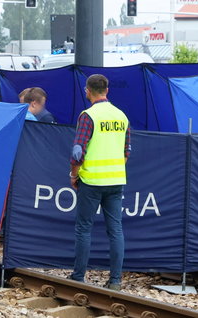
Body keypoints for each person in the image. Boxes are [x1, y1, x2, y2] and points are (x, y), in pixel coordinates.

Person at [69, 74, 130, 291]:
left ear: (88, 90)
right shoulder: (121, 116)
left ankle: (78, 277)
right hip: (116, 181)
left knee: (84, 228)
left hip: (92, 180)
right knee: (116, 230)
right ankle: (115, 281)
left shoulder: (88, 116)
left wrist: (74, 174)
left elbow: (78, 152)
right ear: (107, 89)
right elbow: (127, 151)